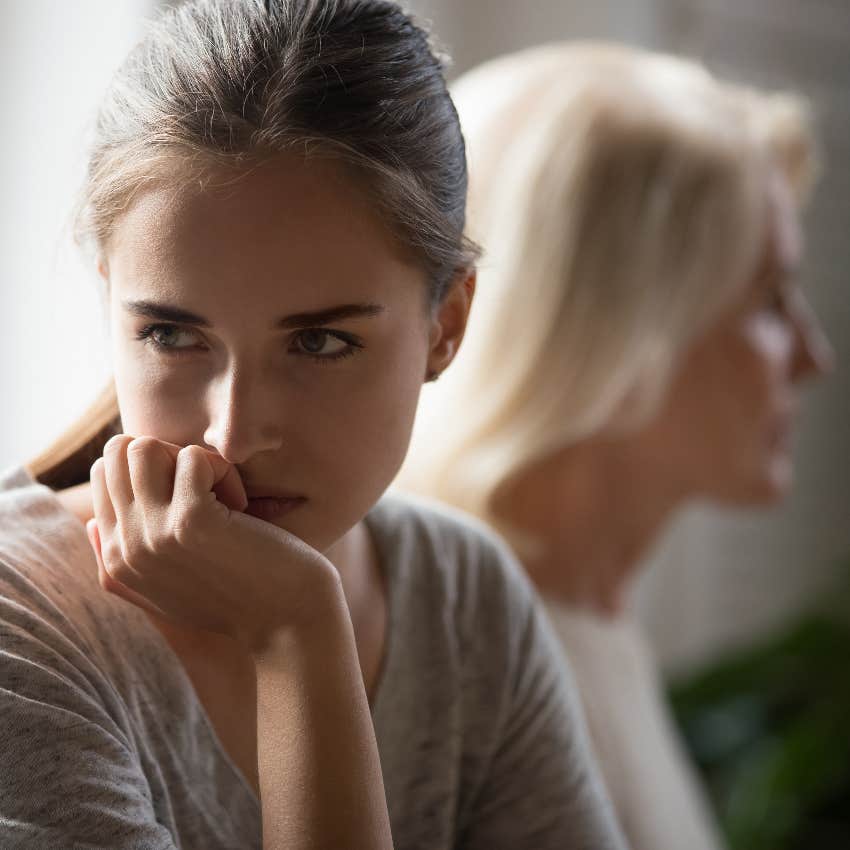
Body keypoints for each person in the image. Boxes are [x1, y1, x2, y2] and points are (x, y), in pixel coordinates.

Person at [0, 6, 626, 850]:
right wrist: (296, 633)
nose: (233, 436)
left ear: (446, 325)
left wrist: (300, 628)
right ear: (111, 299)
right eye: (173, 334)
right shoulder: (21, 625)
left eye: (320, 341)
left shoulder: (460, 599)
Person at [399, 42, 834, 850]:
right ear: (623, 330)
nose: (815, 356)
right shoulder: (466, 662)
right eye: (771, 299)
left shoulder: (584, 617)